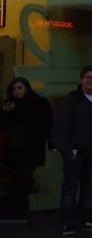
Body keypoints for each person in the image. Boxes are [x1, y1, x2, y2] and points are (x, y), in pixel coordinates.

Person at [51, 66, 92, 235]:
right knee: (70, 188)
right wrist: (66, 150)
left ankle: (86, 219)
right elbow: (61, 125)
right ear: (81, 80)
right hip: (75, 151)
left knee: (89, 188)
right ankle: (68, 221)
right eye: (88, 77)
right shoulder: (72, 99)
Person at [0, 77, 54, 225]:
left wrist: (51, 143)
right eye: (14, 89)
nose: (16, 92)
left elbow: (47, 124)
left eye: (19, 88)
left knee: (22, 178)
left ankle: (18, 212)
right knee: (17, 180)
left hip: (31, 148)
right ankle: (19, 212)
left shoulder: (39, 104)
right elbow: (4, 127)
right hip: (14, 149)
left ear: (26, 88)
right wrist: (6, 112)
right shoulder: (10, 105)